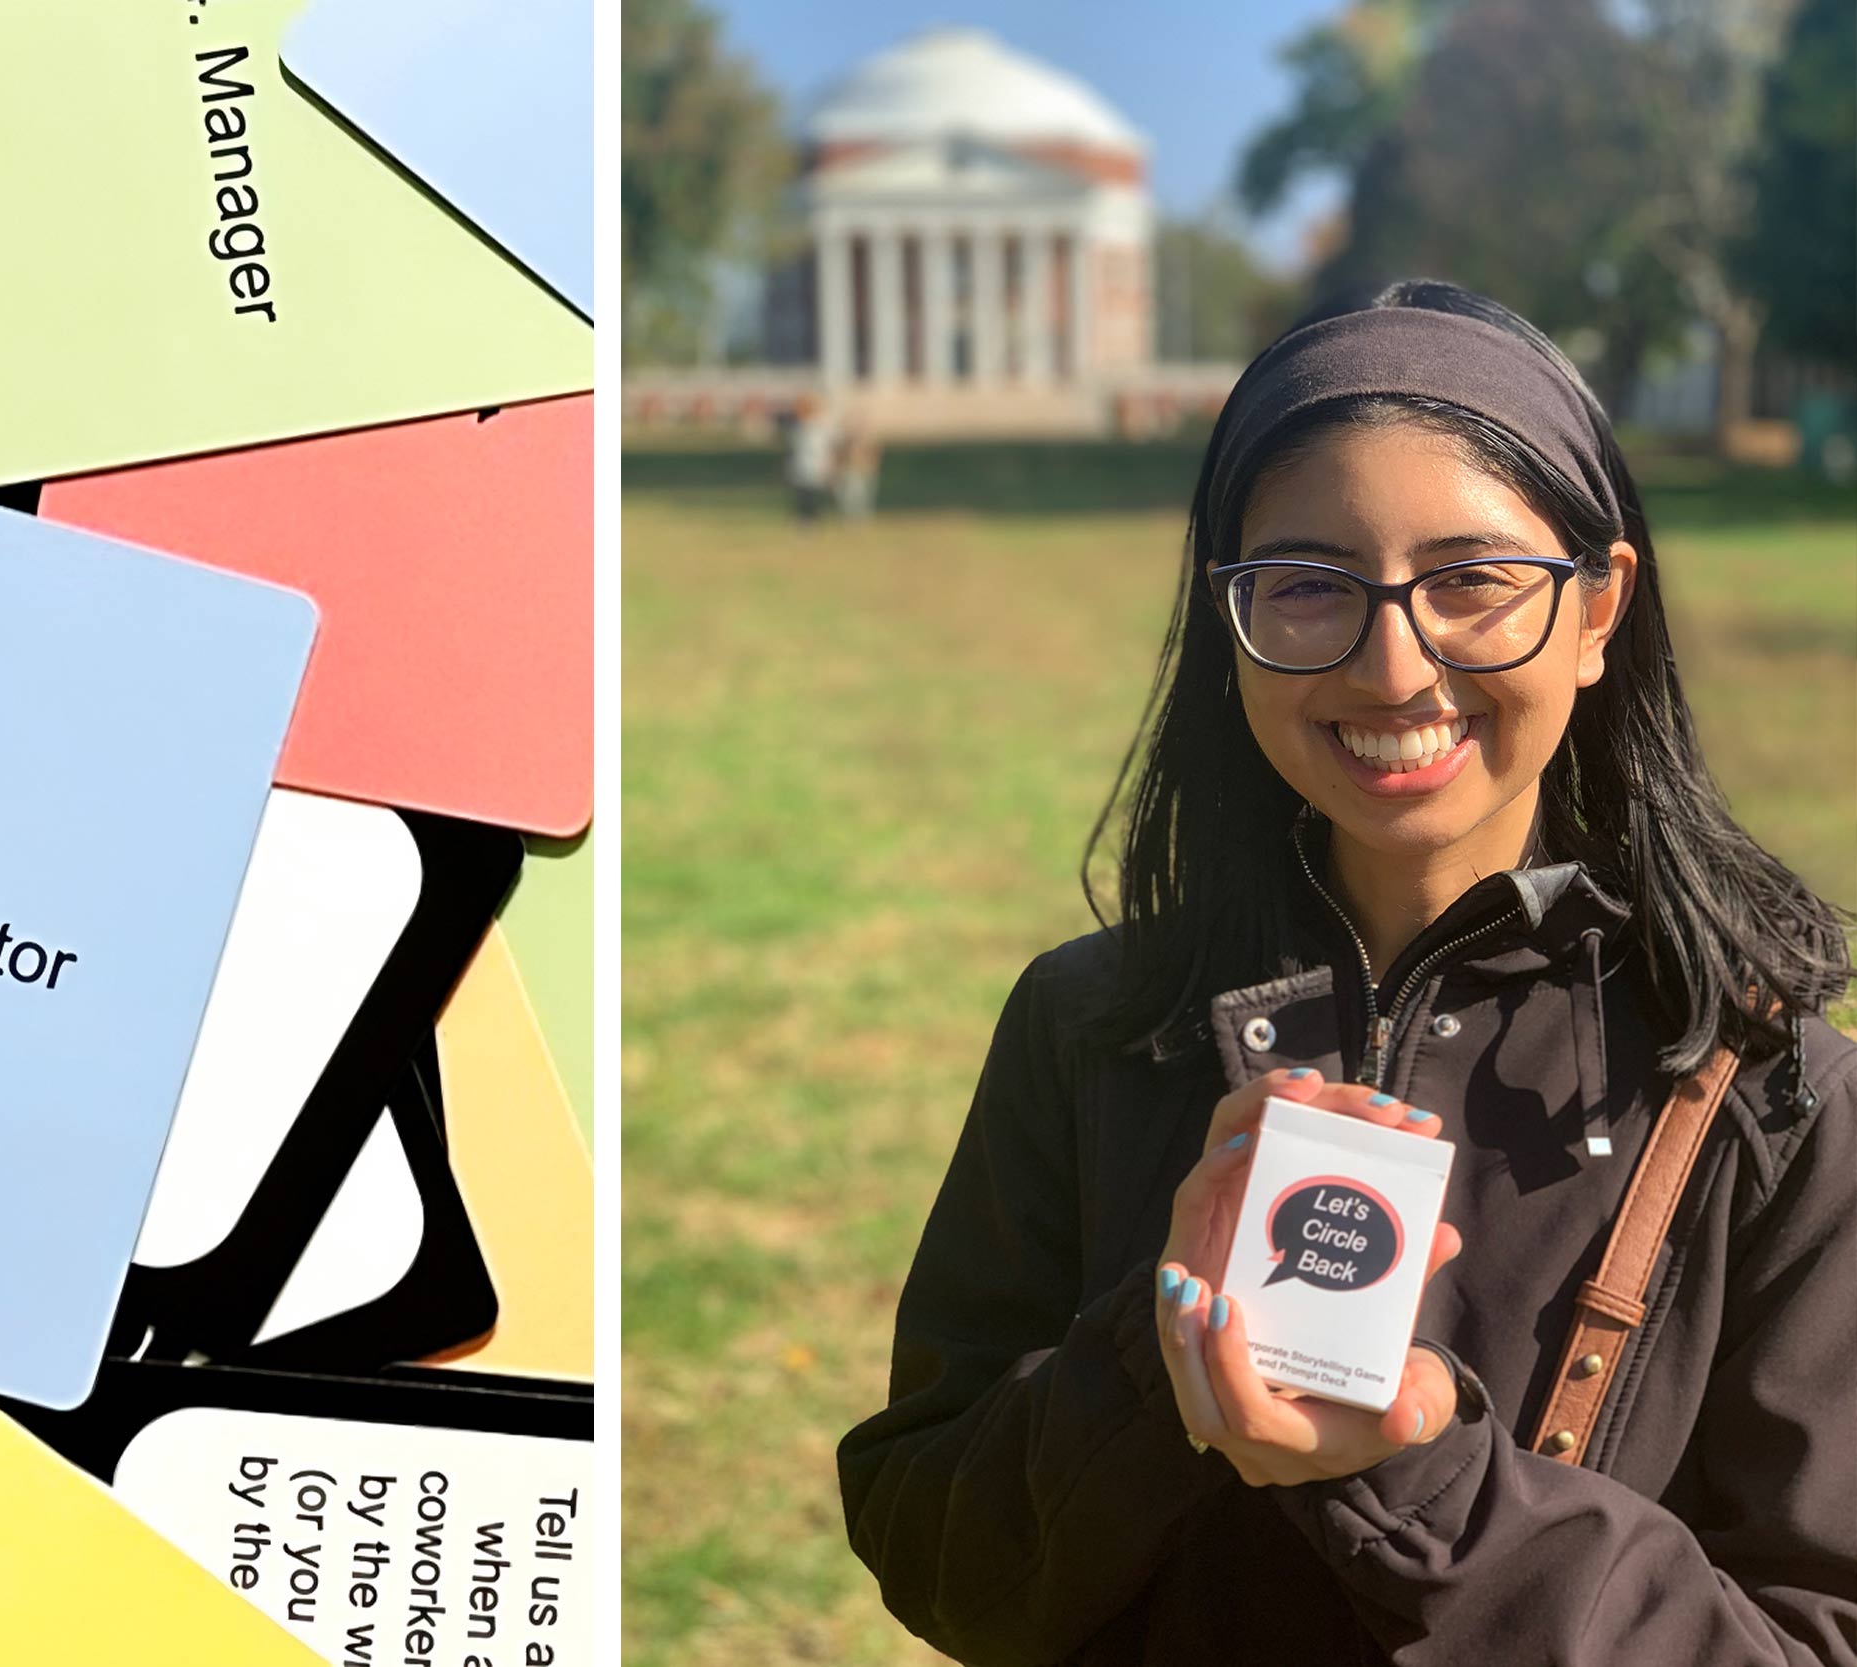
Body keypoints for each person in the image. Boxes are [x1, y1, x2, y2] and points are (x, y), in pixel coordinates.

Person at [837, 280, 1856, 1665]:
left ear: (1600, 606)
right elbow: (938, 1560)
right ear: (1228, 614)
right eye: (1310, 585)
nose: (1394, 667)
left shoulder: (1771, 1087)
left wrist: (1434, 1480)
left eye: (1473, 580)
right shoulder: (1090, 1021)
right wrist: (1158, 1353)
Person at [786, 393, 837, 524]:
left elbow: (825, 448)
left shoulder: (819, 427)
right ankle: (804, 518)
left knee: (811, 495)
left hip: (815, 465)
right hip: (801, 465)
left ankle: (812, 519)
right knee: (802, 495)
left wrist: (827, 465)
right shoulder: (797, 428)